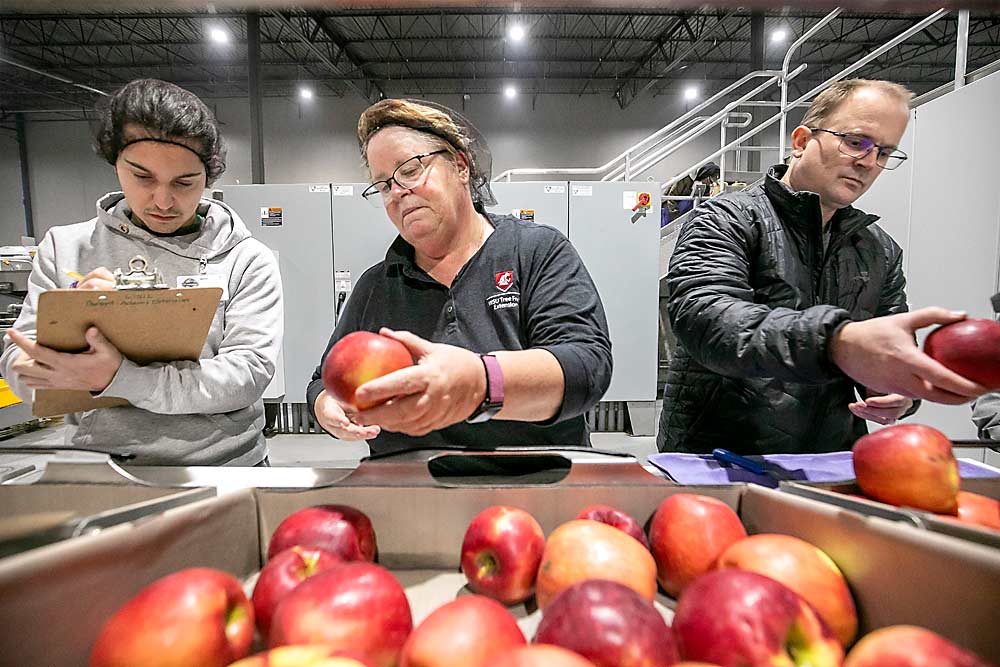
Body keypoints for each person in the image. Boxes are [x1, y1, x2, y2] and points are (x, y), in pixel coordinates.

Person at [658, 79, 987, 455]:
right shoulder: (726, 220)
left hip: (831, 460)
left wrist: (897, 388)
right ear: (800, 142)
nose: (868, 162)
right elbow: (708, 322)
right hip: (722, 458)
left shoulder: (879, 250)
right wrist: (835, 343)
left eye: (883, 152)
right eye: (855, 141)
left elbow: (887, 349)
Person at [0, 79, 283, 465]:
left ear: (209, 176)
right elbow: (23, 356)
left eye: (185, 182)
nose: (164, 200)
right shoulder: (67, 249)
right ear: (115, 163)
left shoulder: (244, 258)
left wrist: (117, 377)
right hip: (104, 466)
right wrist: (60, 339)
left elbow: (246, 375)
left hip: (223, 466)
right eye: (142, 177)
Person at [307, 99, 612, 455]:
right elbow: (323, 381)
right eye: (384, 185)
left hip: (533, 482)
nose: (398, 192)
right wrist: (327, 407)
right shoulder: (377, 285)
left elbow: (585, 367)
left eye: (410, 169)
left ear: (461, 166)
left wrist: (481, 383)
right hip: (414, 490)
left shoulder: (536, 251)